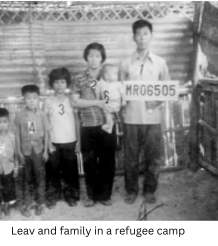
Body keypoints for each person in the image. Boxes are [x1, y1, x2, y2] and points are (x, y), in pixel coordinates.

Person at [119, 19, 171, 205]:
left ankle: (150, 190)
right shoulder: (125, 63)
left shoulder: (159, 63)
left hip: (152, 119)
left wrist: (157, 100)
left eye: (145, 34)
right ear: (134, 37)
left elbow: (167, 89)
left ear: (151, 36)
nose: (142, 38)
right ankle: (131, 190)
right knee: (130, 158)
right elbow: (119, 90)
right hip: (131, 118)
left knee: (153, 157)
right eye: (138, 34)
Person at [72, 42, 116, 207]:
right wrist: (97, 103)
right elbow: (76, 102)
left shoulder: (109, 77)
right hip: (88, 126)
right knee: (89, 161)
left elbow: (116, 99)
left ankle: (104, 195)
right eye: (91, 55)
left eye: (97, 56)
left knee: (107, 161)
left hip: (108, 125)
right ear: (86, 57)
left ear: (102, 58)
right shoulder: (79, 79)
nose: (94, 59)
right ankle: (90, 196)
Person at [44, 67, 80, 208]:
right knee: (52, 170)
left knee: (70, 170)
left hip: (70, 141)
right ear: (52, 84)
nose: (59, 85)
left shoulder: (72, 100)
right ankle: (53, 196)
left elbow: (77, 120)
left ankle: (71, 196)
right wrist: (47, 143)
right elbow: (45, 123)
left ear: (67, 84)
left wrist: (79, 141)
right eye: (56, 82)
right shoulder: (48, 101)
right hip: (54, 142)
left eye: (63, 82)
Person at [15, 84, 50, 217]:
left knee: (40, 177)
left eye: (34, 98)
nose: (31, 100)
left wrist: (46, 151)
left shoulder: (42, 114)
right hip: (25, 151)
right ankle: (27, 203)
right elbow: (17, 134)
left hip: (39, 150)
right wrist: (18, 152)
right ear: (23, 99)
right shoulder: (19, 115)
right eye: (28, 98)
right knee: (26, 178)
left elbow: (46, 133)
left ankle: (40, 203)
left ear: (38, 99)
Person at [96, 64, 125, 134]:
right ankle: (109, 127)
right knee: (108, 116)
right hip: (106, 106)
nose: (117, 76)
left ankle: (119, 130)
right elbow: (97, 92)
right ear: (106, 76)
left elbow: (123, 93)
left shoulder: (118, 84)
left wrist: (124, 101)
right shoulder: (101, 83)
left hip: (116, 104)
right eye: (114, 73)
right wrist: (97, 100)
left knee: (118, 117)